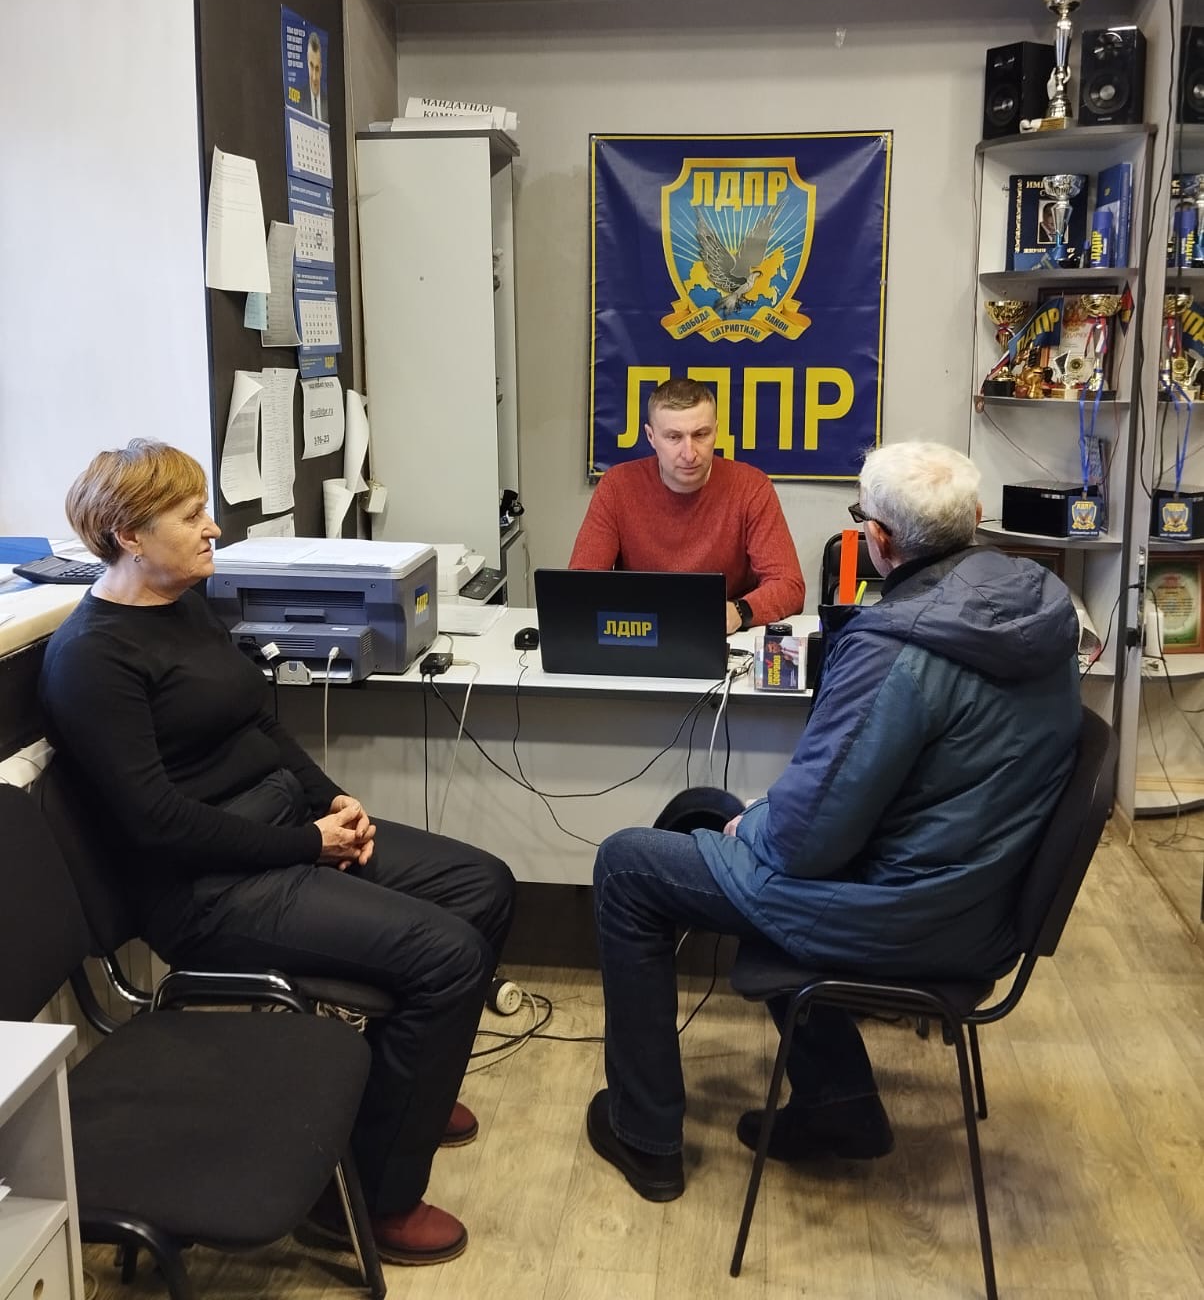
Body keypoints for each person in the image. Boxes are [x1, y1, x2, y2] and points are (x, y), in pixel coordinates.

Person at [38, 440, 514, 1266]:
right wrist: (308, 843)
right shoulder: (92, 658)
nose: (212, 528)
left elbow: (260, 726)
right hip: (207, 891)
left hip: (283, 830)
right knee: (449, 956)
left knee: (485, 885)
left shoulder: (185, 605)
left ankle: (406, 1096)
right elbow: (158, 824)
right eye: (191, 516)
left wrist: (333, 800)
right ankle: (368, 1200)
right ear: (129, 536)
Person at [585, 441, 1081, 1202]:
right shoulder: (1036, 609)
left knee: (626, 864)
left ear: (877, 539)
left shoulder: (895, 647)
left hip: (906, 911)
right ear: (976, 518)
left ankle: (645, 1136)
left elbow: (806, 844)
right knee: (705, 809)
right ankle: (837, 1103)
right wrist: (755, 819)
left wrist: (756, 825)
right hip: (976, 894)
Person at [569, 377, 805, 634]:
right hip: (640, 632)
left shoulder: (751, 487)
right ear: (651, 436)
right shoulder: (617, 486)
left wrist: (739, 611)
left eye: (701, 434)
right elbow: (581, 585)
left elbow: (789, 585)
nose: (690, 453)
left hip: (723, 634)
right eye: (674, 437)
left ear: (716, 431)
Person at [304, 29, 326, 122]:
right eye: (311, 66)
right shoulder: (297, 102)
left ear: (321, 68)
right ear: (307, 65)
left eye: (317, 69)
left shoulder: (328, 102)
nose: (314, 77)